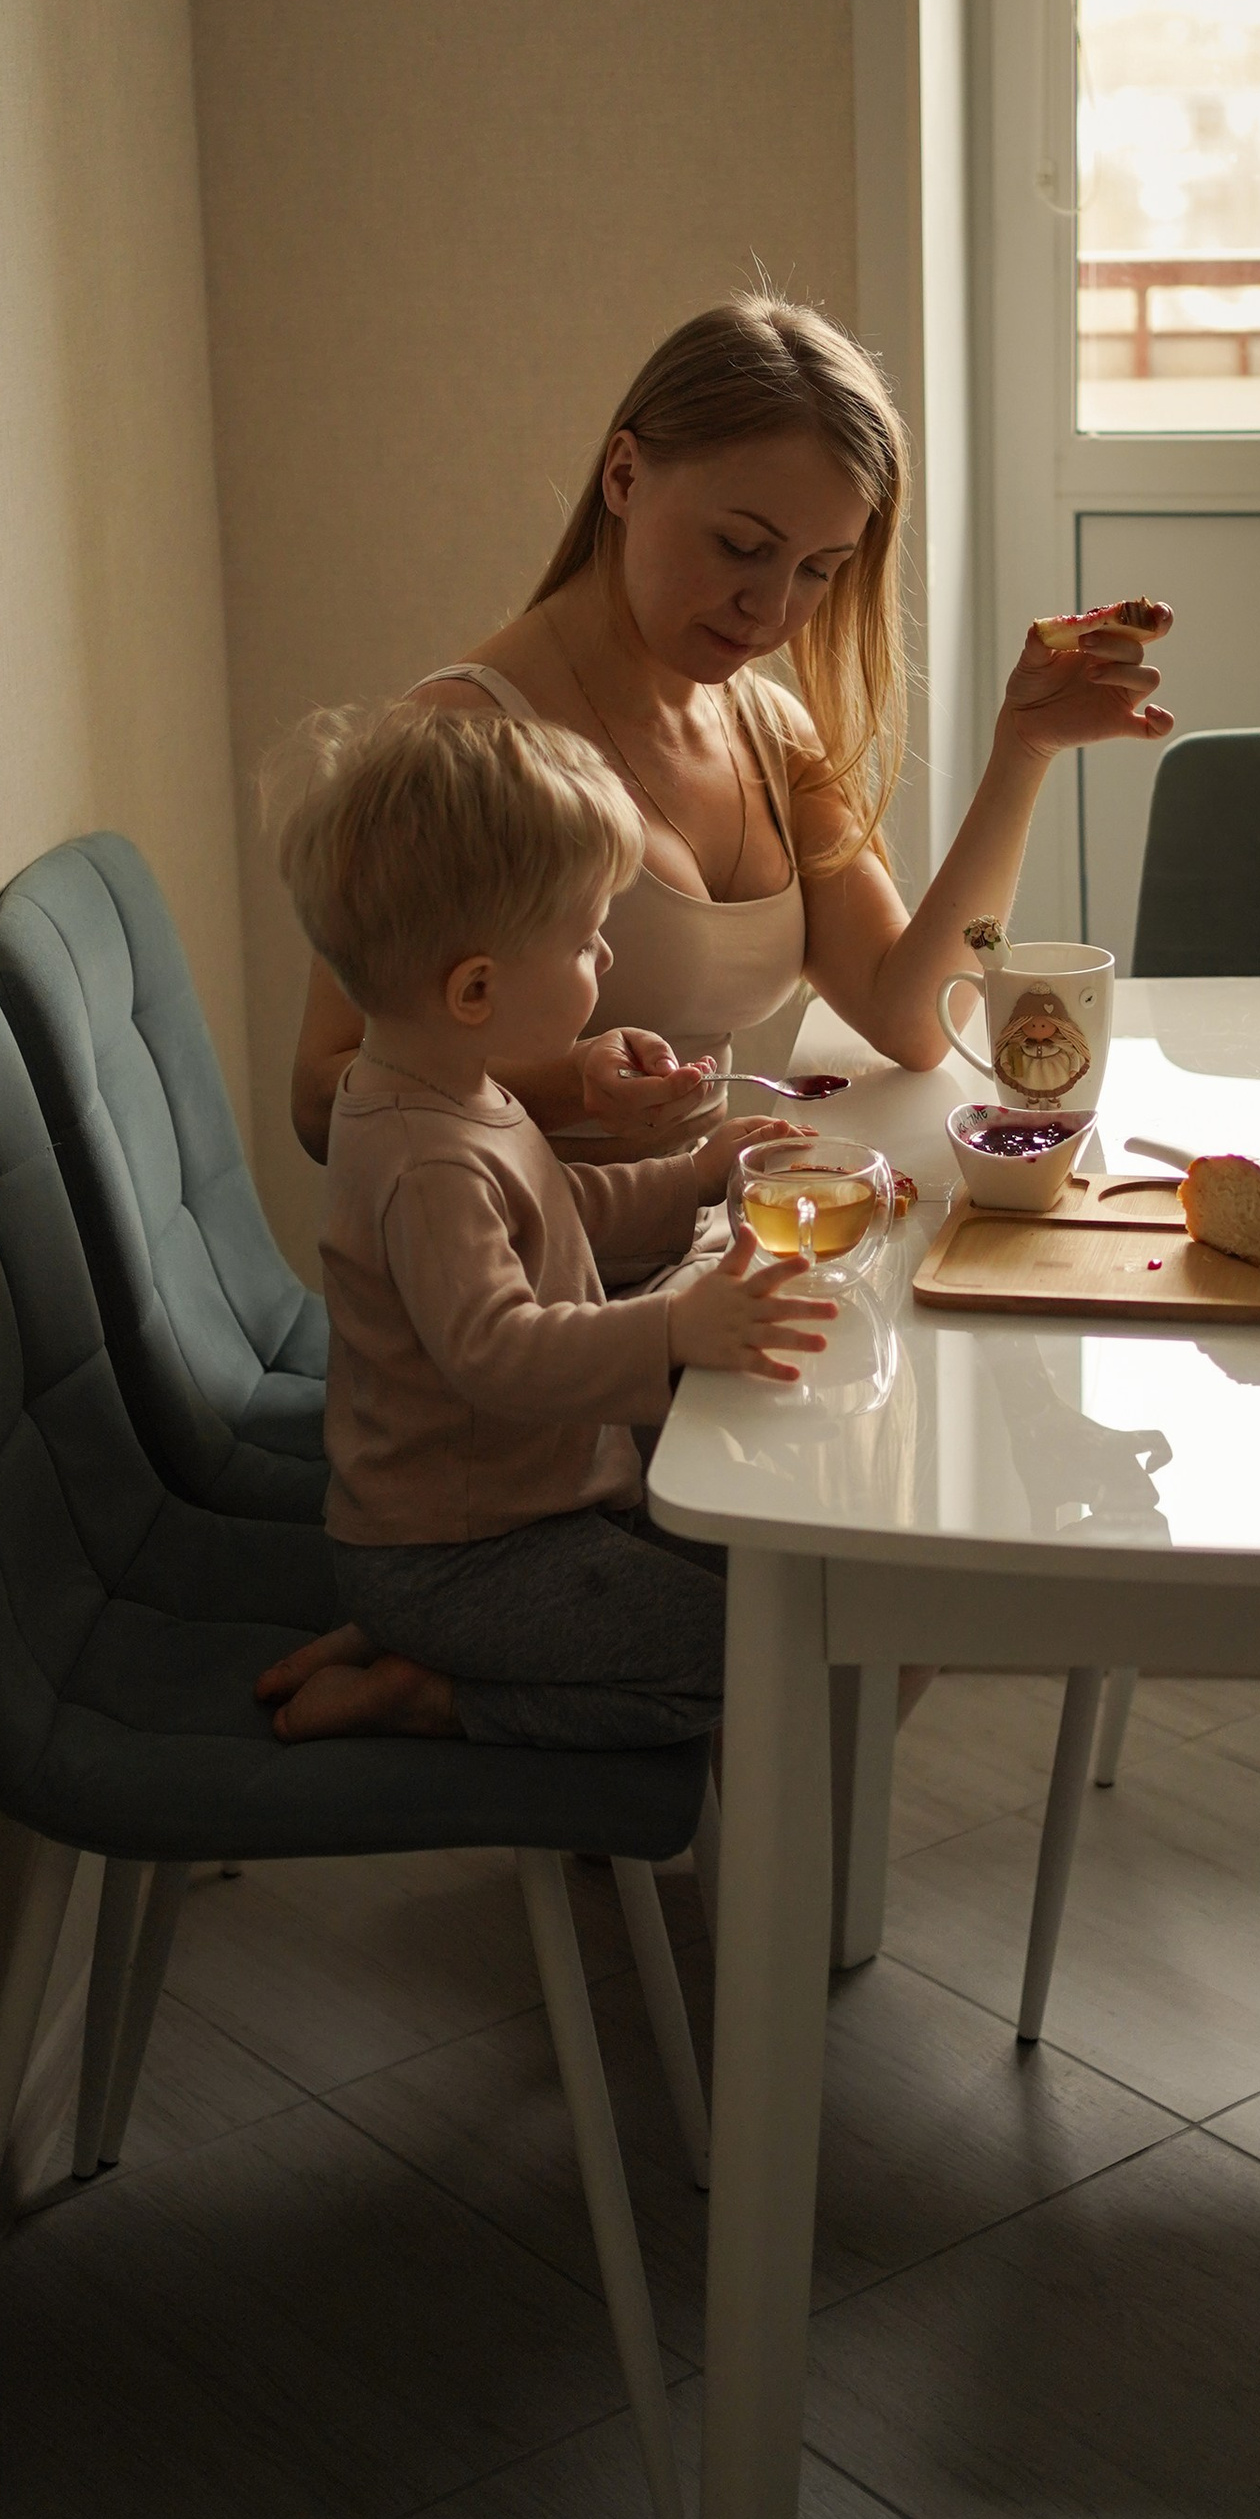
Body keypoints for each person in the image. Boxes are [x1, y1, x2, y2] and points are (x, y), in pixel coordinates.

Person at [289, 295, 1173, 1167]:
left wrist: (1022, 750)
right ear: (625, 476)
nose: (772, 608)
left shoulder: (767, 729)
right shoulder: (463, 739)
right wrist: (569, 1087)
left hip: (703, 1258)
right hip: (529, 1285)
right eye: (741, 547)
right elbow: (320, 1097)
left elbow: (911, 1017)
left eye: (819, 570)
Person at [251, 699, 829, 1746]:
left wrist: (696, 1174)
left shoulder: (447, 1087)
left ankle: (410, 1640)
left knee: (759, 1558)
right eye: (584, 938)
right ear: (475, 987)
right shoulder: (425, 1155)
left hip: (501, 1518)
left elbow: (559, 1210)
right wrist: (671, 1330)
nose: (603, 959)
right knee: (747, 1663)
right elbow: (497, 1348)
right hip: (466, 1554)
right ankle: (431, 1690)